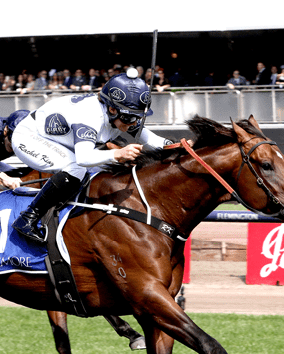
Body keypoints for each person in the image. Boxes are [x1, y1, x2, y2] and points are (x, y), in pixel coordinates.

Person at [10, 68, 172, 243]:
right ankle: (28, 218)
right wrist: (117, 153)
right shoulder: (89, 117)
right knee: (76, 168)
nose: (133, 124)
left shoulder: (118, 113)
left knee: (101, 167)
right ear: (112, 109)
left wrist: (175, 146)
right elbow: (84, 158)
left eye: (137, 118)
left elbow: (148, 137)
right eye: (130, 118)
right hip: (30, 138)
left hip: (60, 142)